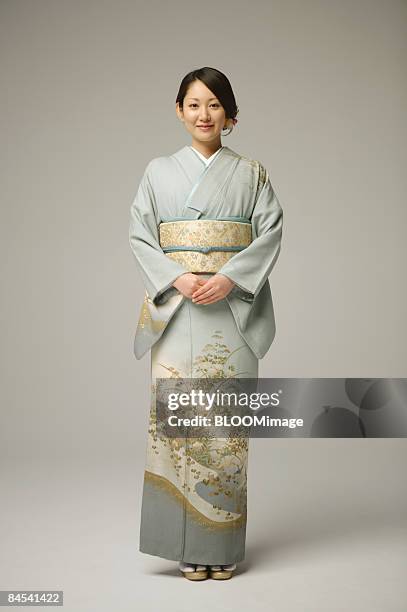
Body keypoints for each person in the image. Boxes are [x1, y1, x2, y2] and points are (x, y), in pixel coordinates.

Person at [128, 67, 283, 580]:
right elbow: (141, 235)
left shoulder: (252, 172)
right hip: (178, 308)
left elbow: (270, 232)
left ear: (230, 115)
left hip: (230, 311)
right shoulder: (157, 171)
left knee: (225, 429)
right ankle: (183, 546)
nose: (203, 114)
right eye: (194, 104)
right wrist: (177, 278)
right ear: (179, 110)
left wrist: (231, 278)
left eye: (214, 105)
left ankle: (220, 548)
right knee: (174, 426)